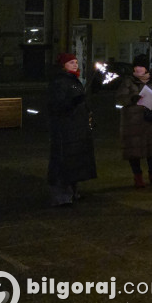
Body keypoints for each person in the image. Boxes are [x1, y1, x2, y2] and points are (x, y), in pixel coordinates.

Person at [47, 53, 97, 206]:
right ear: (63, 65)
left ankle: (73, 192)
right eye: (71, 62)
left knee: (76, 161)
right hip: (66, 129)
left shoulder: (73, 80)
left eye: (76, 62)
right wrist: (74, 102)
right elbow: (58, 105)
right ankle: (62, 196)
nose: (75, 64)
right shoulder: (60, 82)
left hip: (77, 127)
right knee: (64, 162)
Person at [116, 54, 152, 188]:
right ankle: (138, 177)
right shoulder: (128, 81)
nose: (138, 69)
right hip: (133, 121)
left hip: (150, 119)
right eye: (136, 66)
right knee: (134, 150)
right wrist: (132, 98)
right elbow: (119, 98)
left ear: (146, 68)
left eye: (141, 66)